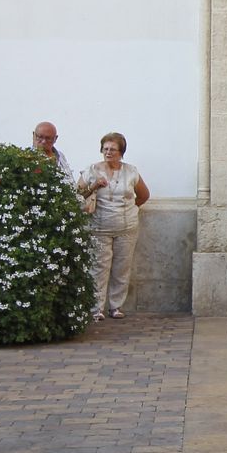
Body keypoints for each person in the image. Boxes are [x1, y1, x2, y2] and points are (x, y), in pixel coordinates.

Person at [81, 132, 151, 321]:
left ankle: (116, 306)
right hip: (99, 227)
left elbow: (144, 195)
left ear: (121, 152)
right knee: (98, 268)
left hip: (126, 228)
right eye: (105, 148)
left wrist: (129, 210)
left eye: (113, 149)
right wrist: (95, 185)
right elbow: (79, 193)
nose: (108, 152)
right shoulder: (92, 170)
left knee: (122, 267)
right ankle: (96, 308)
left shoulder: (131, 171)